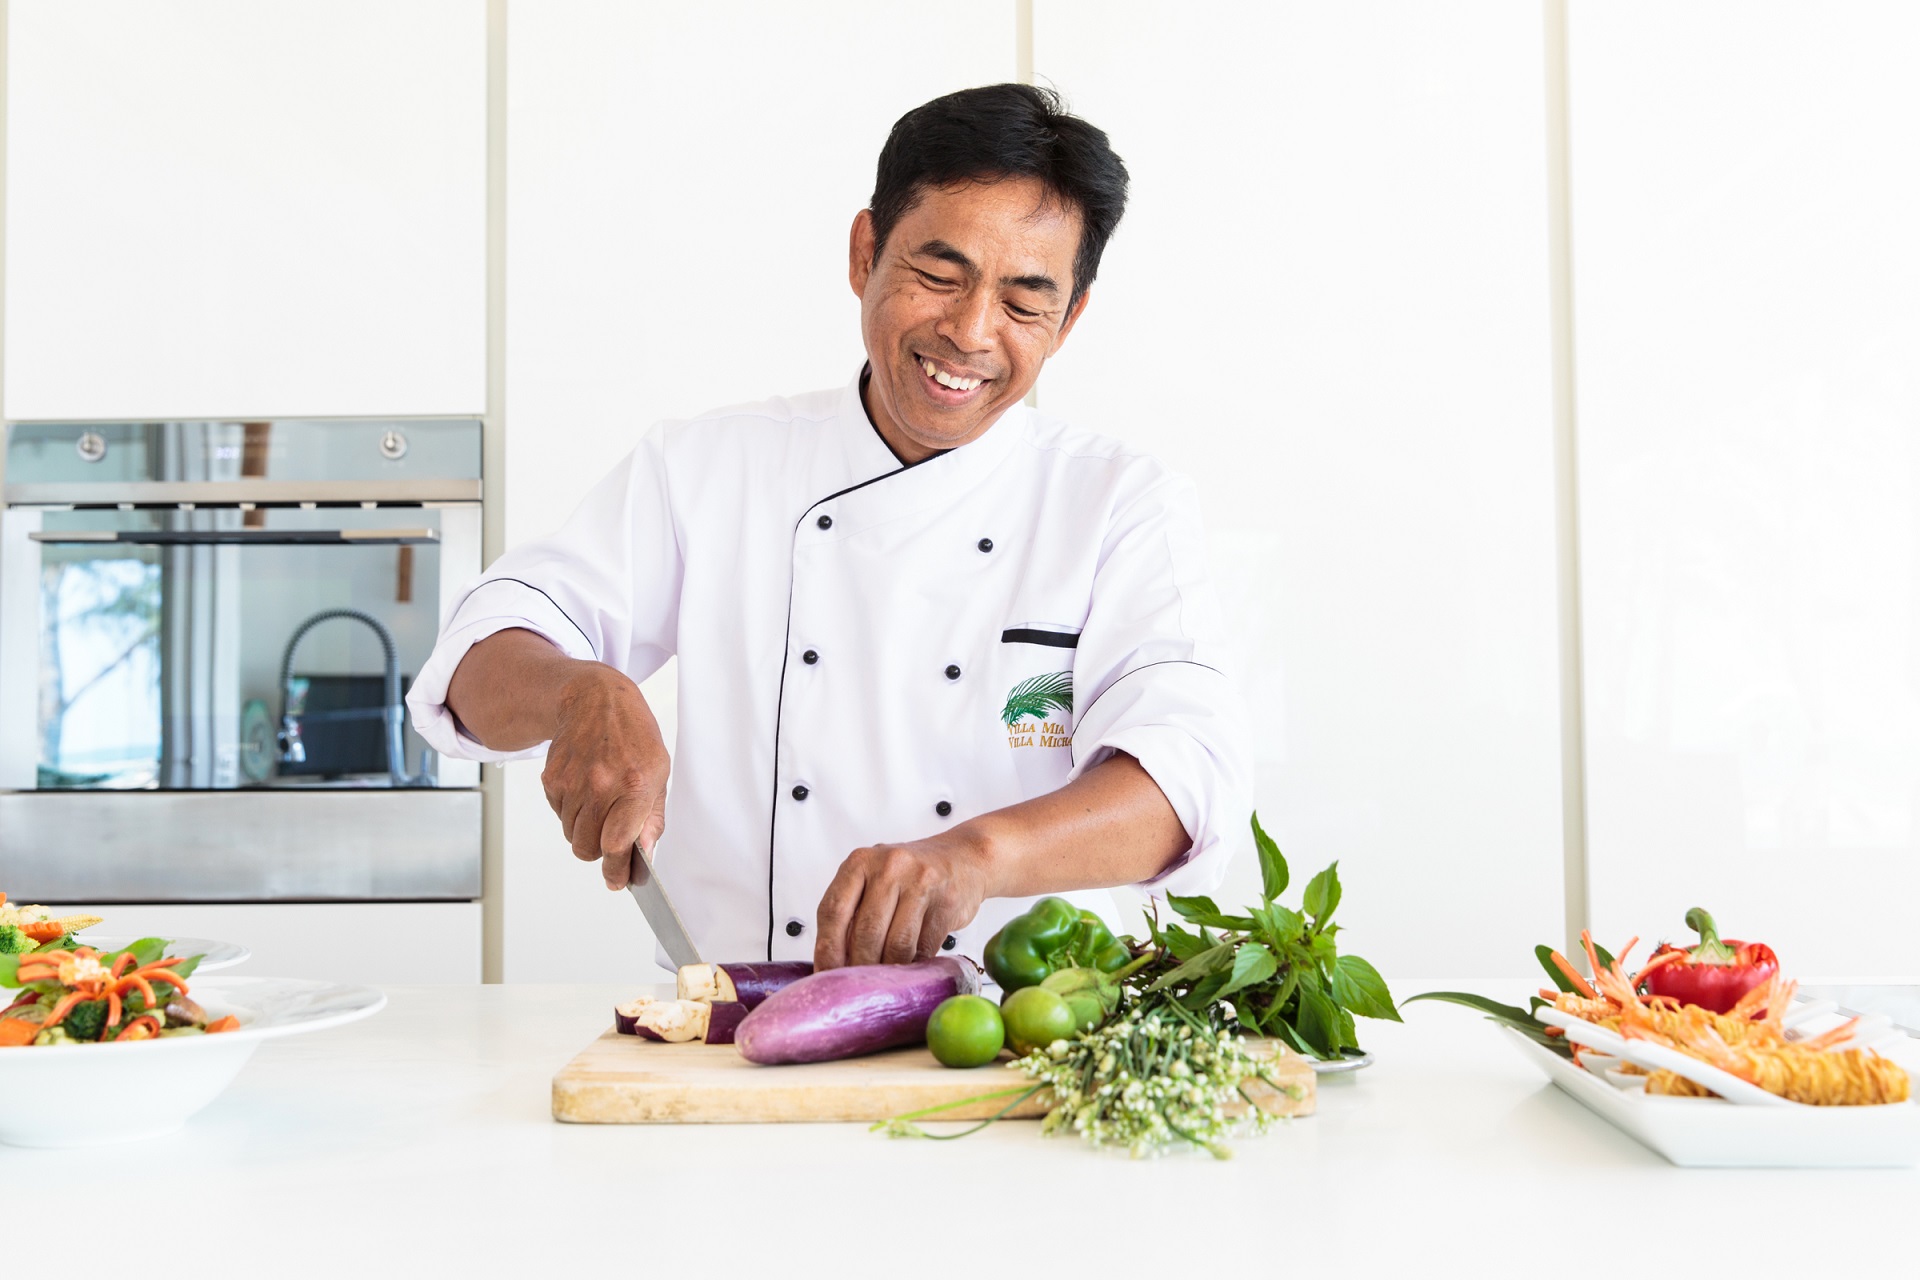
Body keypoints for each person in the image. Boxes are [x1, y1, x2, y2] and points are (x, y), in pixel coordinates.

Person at [408, 84, 1251, 970]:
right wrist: (581, 691)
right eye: (939, 274)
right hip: (736, 1036)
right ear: (865, 254)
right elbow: (473, 667)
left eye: (1023, 300)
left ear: (1069, 319)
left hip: (1023, 1047)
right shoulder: (707, 467)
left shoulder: (1119, 503)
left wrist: (975, 858)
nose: (969, 332)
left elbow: (1186, 778)